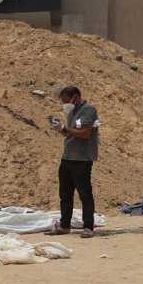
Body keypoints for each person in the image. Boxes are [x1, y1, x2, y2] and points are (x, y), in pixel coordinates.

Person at [52, 84, 100, 238]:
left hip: (81, 159)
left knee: (85, 194)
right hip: (68, 157)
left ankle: (88, 226)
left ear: (76, 97)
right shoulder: (73, 112)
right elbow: (72, 134)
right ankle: (65, 226)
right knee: (65, 194)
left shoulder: (88, 110)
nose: (65, 104)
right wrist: (60, 129)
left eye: (67, 100)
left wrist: (64, 129)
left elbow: (85, 133)